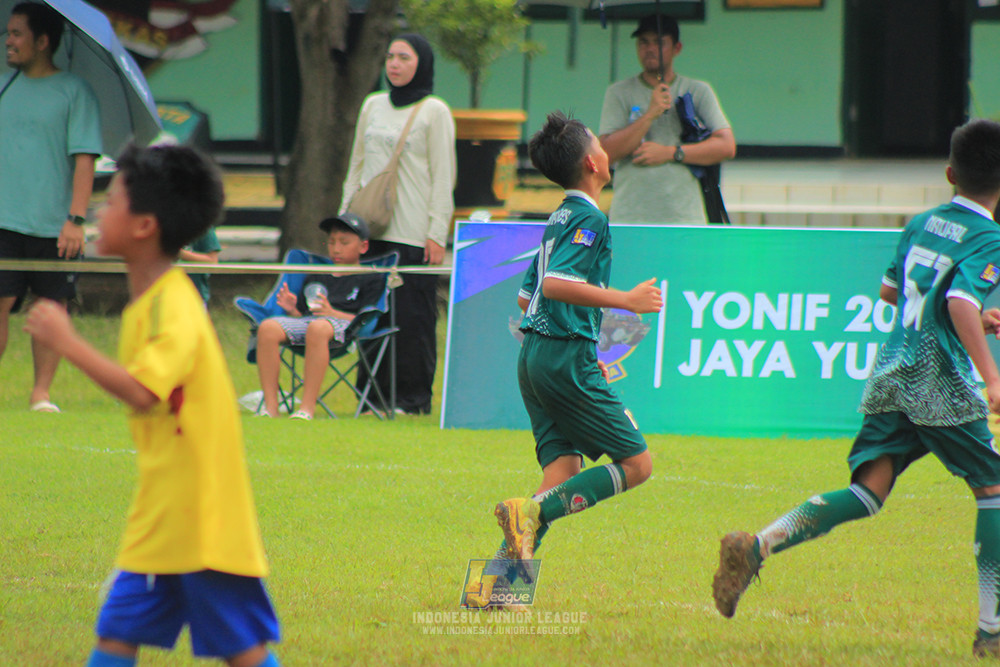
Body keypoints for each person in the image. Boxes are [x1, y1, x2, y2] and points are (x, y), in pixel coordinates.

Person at [711, 119, 1000, 659]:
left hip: (893, 371)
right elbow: (959, 301)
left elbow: (894, 294)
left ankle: (758, 544)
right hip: (940, 381)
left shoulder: (922, 222)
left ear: (949, 173)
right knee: (994, 491)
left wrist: (969, 319)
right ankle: (991, 629)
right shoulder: (988, 236)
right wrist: (992, 374)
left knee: (868, 493)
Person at [23, 144, 281, 667]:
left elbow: (144, 392)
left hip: (201, 519)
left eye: (110, 199)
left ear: (143, 226)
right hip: (162, 514)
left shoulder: (176, 304)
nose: (97, 210)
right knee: (116, 631)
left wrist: (67, 341)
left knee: (243, 652)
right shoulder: (149, 304)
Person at [477, 111, 662, 606]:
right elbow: (558, 284)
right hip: (561, 359)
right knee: (638, 463)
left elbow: (528, 297)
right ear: (594, 161)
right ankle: (531, 516)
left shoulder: (558, 217)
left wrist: (581, 338)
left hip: (537, 356)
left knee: (560, 467)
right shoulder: (589, 217)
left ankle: (497, 589)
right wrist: (626, 301)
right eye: (600, 143)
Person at [341, 32, 456, 416]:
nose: (394, 63)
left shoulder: (434, 110)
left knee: (413, 320)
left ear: (421, 63)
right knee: (372, 315)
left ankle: (412, 400)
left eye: (404, 57)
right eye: (390, 56)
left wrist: (436, 232)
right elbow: (356, 168)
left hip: (413, 234)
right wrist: (346, 225)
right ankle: (373, 397)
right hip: (371, 232)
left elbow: (444, 177)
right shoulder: (372, 105)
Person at [0, 1, 102, 413]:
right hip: (4, 219)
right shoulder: (3, 87)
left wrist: (75, 220)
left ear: (43, 41)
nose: (8, 41)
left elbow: (84, 158)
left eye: (17, 34)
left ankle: (41, 393)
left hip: (53, 225)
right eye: (7, 33)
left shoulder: (74, 91)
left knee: (50, 309)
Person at [598, 14, 735, 224]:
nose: (650, 48)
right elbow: (606, 152)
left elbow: (726, 146)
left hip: (683, 215)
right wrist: (650, 114)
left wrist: (671, 153)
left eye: (659, 42)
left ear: (677, 48)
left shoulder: (698, 91)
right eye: (643, 42)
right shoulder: (618, 93)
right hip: (630, 215)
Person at [254, 214, 383, 420]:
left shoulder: (371, 277)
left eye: (344, 242)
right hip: (310, 323)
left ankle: (306, 408)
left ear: (363, 247)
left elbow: (366, 318)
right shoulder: (318, 272)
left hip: (345, 328)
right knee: (268, 327)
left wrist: (332, 313)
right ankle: (270, 408)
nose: (336, 249)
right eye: (331, 242)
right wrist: (291, 309)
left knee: (319, 327)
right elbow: (305, 315)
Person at [179, 228, 222, 304]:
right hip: (162, 295)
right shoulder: (160, 224)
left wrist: (180, 254)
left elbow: (212, 260)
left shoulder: (204, 227)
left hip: (195, 296)